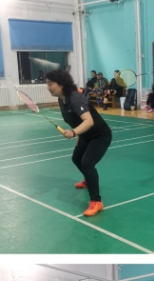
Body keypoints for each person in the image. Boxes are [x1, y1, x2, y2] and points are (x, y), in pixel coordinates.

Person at [45, 68, 113, 217]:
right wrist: (79, 134)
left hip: (100, 135)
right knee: (76, 159)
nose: (48, 87)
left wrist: (74, 132)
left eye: (50, 84)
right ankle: (89, 179)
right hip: (85, 135)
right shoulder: (62, 99)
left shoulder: (75, 98)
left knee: (87, 163)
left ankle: (96, 201)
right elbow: (75, 119)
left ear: (61, 84)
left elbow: (89, 121)